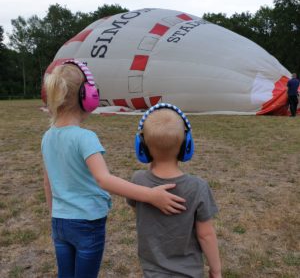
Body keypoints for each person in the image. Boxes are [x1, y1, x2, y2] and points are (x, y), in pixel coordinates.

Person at [41, 60, 186, 278]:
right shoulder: (85, 138)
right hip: (87, 223)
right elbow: (104, 180)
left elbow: (47, 180)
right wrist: (150, 195)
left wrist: (55, 215)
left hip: (60, 223)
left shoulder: (47, 136)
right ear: (87, 96)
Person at [127, 103, 222, 278]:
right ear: (187, 145)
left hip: (152, 272)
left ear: (142, 146)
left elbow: (138, 213)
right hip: (190, 273)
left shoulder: (137, 181)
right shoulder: (198, 187)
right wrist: (216, 271)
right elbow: (206, 235)